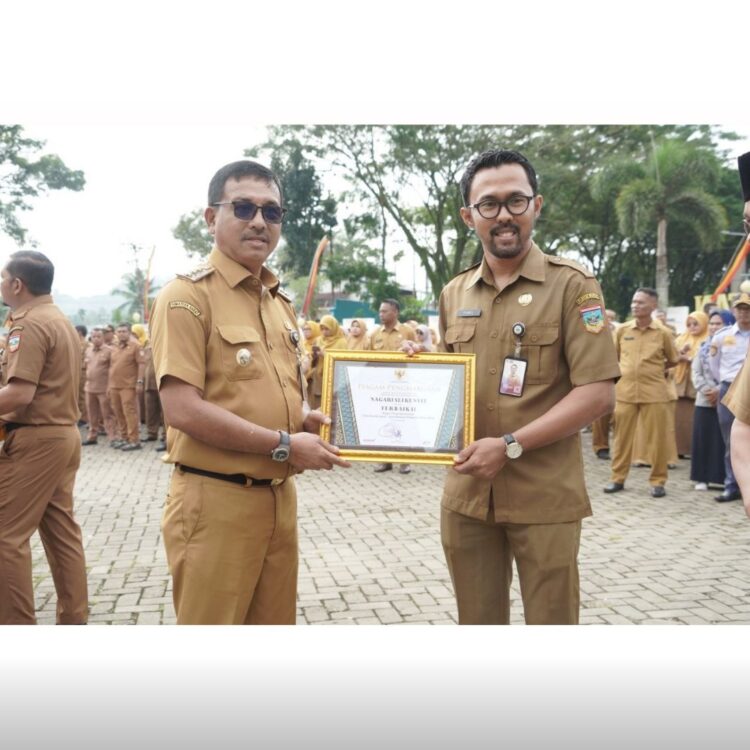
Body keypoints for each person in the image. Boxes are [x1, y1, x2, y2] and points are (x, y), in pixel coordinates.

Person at [149, 159, 349, 625]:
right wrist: (284, 444)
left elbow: (266, 389)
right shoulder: (186, 297)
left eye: (272, 212)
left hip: (279, 499)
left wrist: (301, 418)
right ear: (210, 217)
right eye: (243, 208)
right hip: (216, 501)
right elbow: (182, 409)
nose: (259, 221)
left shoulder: (276, 302)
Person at [436, 149, 619, 624]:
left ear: (537, 205)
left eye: (516, 201)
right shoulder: (454, 293)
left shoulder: (574, 287)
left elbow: (597, 391)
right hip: (468, 493)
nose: (503, 216)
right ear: (468, 215)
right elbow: (448, 384)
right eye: (489, 204)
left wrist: (511, 445)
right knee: (477, 624)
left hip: (544, 495)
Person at [0, 250, 88, 624]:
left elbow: (20, 393)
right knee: (61, 534)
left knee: (5, 538)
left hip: (36, 440)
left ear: (17, 284)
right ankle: (73, 621)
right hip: (61, 436)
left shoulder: (29, 324)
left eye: (3, 278)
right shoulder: (59, 319)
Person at [604, 288, 680, 498]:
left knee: (657, 438)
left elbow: (673, 359)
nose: (635, 305)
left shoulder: (663, 332)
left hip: (654, 391)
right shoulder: (622, 330)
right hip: (625, 391)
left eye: (641, 302)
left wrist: (653, 370)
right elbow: (614, 357)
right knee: (621, 438)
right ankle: (617, 478)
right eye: (634, 301)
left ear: (653, 306)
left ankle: (658, 481)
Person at [708, 293, 750, 502]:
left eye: (747, 309)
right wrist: (723, 383)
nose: (744, 313)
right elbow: (714, 365)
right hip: (728, 389)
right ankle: (731, 485)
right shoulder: (722, 336)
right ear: (734, 311)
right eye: (740, 309)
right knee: (730, 440)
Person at [368, 298, 416, 474]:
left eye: (385, 311)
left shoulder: (407, 331)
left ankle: (405, 461)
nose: (381, 314)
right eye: (380, 311)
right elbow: (368, 359)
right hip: (381, 385)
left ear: (395, 312)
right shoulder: (374, 334)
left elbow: (417, 356)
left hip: (403, 383)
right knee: (383, 421)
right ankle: (384, 460)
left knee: (404, 420)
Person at [690, 311, 729, 490]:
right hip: (704, 401)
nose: (713, 327)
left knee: (724, 441)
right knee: (703, 439)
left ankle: (725, 479)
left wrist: (720, 391)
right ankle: (702, 478)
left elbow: (736, 372)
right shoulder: (704, 346)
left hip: (728, 400)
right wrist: (708, 391)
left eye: (718, 324)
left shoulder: (734, 346)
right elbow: (696, 372)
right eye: (712, 323)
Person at [673, 311, 709, 458]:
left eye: (696, 324)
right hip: (680, 383)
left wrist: (692, 359)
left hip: (697, 384)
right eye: (689, 324)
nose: (692, 327)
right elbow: (672, 355)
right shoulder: (681, 338)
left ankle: (693, 449)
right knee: (678, 418)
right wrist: (681, 354)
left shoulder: (708, 339)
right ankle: (678, 449)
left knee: (694, 419)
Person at [107, 322, 145, 451]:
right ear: (116, 333)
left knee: (129, 412)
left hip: (128, 385)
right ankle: (124, 438)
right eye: (119, 331)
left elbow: (141, 364)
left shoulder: (136, 346)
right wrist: (108, 385)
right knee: (118, 413)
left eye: (124, 331)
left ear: (129, 333)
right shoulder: (114, 347)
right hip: (114, 386)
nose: (121, 333)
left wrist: (139, 382)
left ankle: (134, 440)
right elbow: (112, 367)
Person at [591, 309, 619, 459]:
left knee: (618, 415)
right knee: (600, 416)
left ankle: (621, 448)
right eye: (606, 317)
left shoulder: (621, 331)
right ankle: (601, 447)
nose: (609, 320)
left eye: (611, 318)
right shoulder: (593, 331)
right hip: (598, 376)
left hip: (619, 377)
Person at [82, 327, 116, 445]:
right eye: (94, 336)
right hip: (90, 387)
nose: (96, 339)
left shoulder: (110, 351)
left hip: (103, 388)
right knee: (92, 414)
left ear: (103, 338)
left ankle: (112, 437)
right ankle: (92, 436)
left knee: (108, 414)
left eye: (98, 336)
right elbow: (86, 366)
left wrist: (110, 386)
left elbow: (113, 370)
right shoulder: (88, 350)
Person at [310, 314, 349, 409]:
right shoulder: (318, 340)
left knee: (332, 406)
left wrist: (326, 355)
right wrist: (314, 355)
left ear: (334, 328)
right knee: (318, 404)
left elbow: (343, 361)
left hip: (334, 379)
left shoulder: (341, 342)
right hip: (319, 377)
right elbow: (313, 361)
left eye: (327, 329)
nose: (324, 332)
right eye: (322, 329)